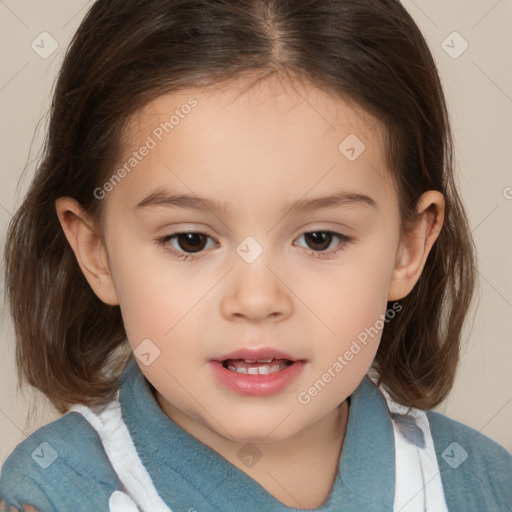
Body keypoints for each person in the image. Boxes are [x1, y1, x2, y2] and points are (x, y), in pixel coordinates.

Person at [1, 0, 511, 510]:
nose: (257, 299)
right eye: (191, 240)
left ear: (409, 246)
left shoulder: (482, 486)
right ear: (97, 252)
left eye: (319, 239)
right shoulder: (50, 495)